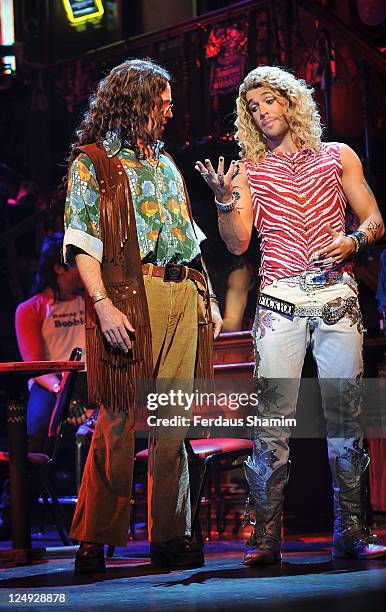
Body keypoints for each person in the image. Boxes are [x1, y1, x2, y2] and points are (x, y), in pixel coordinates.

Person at [195, 65, 386, 564]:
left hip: (335, 295)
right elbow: (237, 241)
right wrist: (222, 199)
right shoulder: (249, 170)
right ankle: (265, 538)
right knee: (273, 419)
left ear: (290, 100)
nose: (262, 113)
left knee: (346, 415)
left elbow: (375, 218)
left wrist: (352, 240)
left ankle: (352, 530)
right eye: (252, 107)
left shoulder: (336, 156)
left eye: (268, 101)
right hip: (279, 298)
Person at [63, 58, 222, 573]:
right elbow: (82, 243)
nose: (170, 109)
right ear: (134, 102)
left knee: (173, 421)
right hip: (131, 297)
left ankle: (169, 535)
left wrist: (210, 299)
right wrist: (103, 305)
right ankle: (95, 535)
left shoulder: (168, 165)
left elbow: (190, 241)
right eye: (161, 99)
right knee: (116, 417)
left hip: (181, 294)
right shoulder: (95, 163)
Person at [0, 233, 86, 541]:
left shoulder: (91, 300)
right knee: (31, 429)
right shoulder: (32, 309)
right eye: (78, 261)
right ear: (59, 268)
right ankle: (14, 510)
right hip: (51, 385)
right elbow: (34, 366)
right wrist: (62, 393)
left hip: (89, 382)